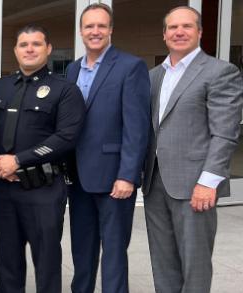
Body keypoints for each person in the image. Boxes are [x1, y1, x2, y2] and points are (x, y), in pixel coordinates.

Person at [0, 25, 85, 293]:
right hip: (4, 188)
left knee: (46, 260)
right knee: (8, 261)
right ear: (15, 50)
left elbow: (66, 137)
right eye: (24, 45)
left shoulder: (65, 90)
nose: (29, 49)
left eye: (36, 44)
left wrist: (19, 161)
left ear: (48, 49)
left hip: (43, 188)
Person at [143, 6, 243, 292]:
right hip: (154, 182)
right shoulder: (153, 77)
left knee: (195, 264)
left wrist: (208, 181)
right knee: (163, 262)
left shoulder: (220, 72)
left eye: (187, 26)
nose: (179, 32)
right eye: (173, 28)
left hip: (195, 185)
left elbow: (225, 133)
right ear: (164, 35)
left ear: (199, 32)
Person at [64, 4, 151, 293]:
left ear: (111, 29)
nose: (95, 31)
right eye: (89, 26)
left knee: (113, 254)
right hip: (78, 179)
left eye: (101, 26)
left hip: (114, 179)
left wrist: (128, 175)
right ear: (81, 31)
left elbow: (136, 128)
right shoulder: (73, 69)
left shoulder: (130, 66)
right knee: (82, 252)